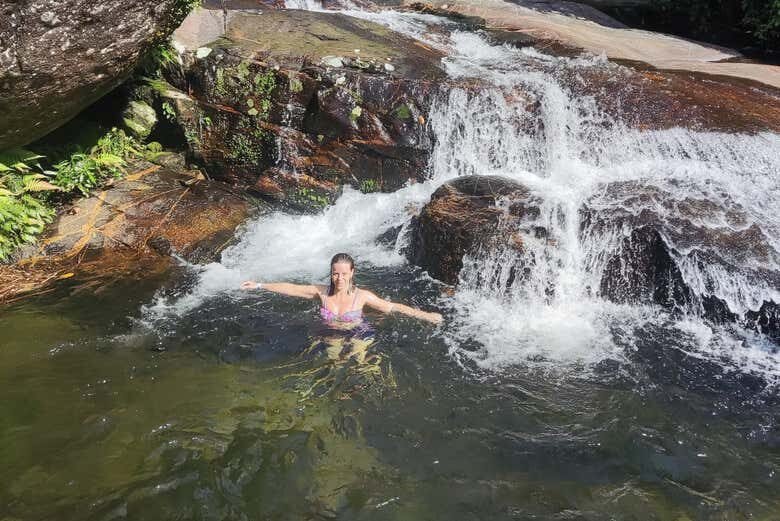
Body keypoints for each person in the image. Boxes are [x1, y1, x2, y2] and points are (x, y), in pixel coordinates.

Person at [240, 252, 443, 326]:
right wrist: (259, 285)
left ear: (352, 273)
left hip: (357, 335)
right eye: (336, 273)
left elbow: (393, 307)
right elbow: (292, 288)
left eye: (344, 274)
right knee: (333, 362)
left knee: (361, 365)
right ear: (331, 273)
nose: (339, 278)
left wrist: (426, 316)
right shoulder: (320, 293)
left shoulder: (362, 296)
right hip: (329, 336)